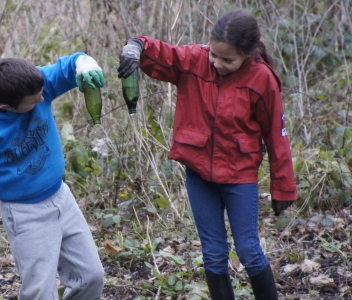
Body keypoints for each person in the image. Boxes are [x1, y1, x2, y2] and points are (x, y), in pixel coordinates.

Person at [117, 10, 297, 300]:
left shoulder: (262, 78)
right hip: (199, 175)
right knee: (213, 254)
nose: (218, 64)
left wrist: (283, 186)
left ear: (248, 54)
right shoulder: (195, 61)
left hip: (240, 177)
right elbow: (163, 55)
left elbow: (277, 134)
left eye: (228, 60)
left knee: (249, 250)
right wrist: (136, 46)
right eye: (215, 55)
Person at [0, 53, 106, 299]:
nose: (44, 99)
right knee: (40, 293)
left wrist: (85, 65)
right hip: (25, 214)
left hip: (62, 198)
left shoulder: (35, 85)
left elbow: (68, 66)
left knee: (91, 277)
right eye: (35, 101)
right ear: (7, 107)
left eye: (42, 93)